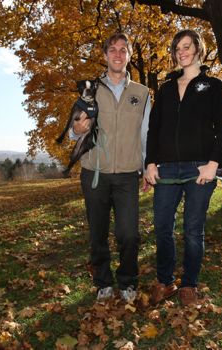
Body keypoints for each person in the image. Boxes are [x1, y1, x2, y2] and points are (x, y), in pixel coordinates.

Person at [144, 29, 222, 306]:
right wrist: (149, 162)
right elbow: (154, 130)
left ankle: (189, 285)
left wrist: (213, 164)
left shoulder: (214, 85)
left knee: (193, 230)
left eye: (186, 46)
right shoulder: (167, 88)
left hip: (200, 169)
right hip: (167, 169)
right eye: (177, 48)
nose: (181, 52)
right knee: (162, 227)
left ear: (198, 49)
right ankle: (166, 281)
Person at [71, 32, 150, 303]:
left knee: (129, 234)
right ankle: (103, 282)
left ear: (128, 56)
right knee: (98, 234)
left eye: (123, 50)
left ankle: (128, 282)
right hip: (94, 174)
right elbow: (75, 129)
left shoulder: (141, 92)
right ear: (105, 55)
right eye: (112, 50)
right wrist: (76, 129)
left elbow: (146, 133)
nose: (117, 54)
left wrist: (147, 167)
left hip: (128, 174)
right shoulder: (90, 89)